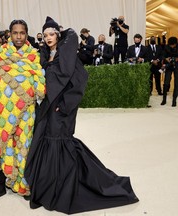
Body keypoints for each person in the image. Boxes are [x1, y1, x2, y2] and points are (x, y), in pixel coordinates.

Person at [24, 16, 139, 215]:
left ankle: (64, 187)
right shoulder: (42, 57)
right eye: (46, 35)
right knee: (45, 141)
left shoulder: (67, 58)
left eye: (52, 34)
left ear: (58, 36)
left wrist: (64, 106)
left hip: (61, 110)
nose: (49, 38)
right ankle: (46, 186)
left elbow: (79, 83)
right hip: (45, 109)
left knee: (61, 143)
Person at [0, 19, 46, 205]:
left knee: (23, 144)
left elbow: (39, 83)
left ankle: (22, 182)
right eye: (15, 32)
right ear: (9, 33)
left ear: (27, 34)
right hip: (2, 110)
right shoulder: (0, 55)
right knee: (1, 142)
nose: (18, 36)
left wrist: (31, 93)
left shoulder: (33, 56)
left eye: (22, 33)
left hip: (26, 111)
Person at [161, 36, 178, 107]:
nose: (171, 46)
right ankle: (164, 99)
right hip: (168, 66)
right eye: (170, 45)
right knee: (166, 83)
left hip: (177, 66)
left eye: (173, 45)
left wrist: (177, 59)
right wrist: (166, 59)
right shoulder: (166, 47)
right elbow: (163, 56)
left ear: (175, 44)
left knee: (176, 83)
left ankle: (174, 100)